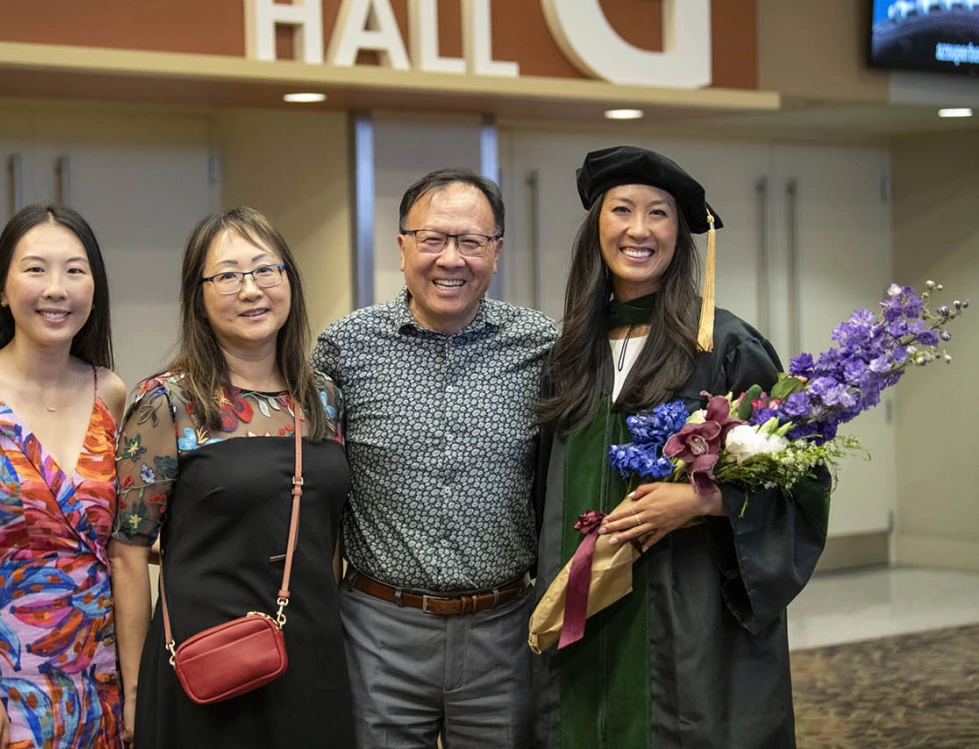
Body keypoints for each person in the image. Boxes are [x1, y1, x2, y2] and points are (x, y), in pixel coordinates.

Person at [532, 146, 832, 749]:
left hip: (688, 617)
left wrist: (704, 503)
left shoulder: (722, 344)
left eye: (659, 214)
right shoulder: (568, 354)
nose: (638, 229)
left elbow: (801, 478)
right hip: (582, 608)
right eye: (621, 210)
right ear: (596, 227)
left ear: (680, 233)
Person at [313, 168, 558, 748]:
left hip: (505, 630)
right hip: (378, 631)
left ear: (496, 252)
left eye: (471, 242)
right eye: (433, 239)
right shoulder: (345, 348)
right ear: (402, 248)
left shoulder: (544, 346)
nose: (452, 259)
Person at [108, 207, 354, 749]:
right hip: (203, 658)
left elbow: (327, 531)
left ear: (290, 279)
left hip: (312, 650)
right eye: (228, 275)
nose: (251, 289)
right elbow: (128, 553)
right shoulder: (167, 404)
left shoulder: (323, 397)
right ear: (197, 296)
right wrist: (132, 690)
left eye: (267, 270)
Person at [0, 204, 128, 749]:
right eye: (35, 269)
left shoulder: (112, 393)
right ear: (4, 291)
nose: (56, 288)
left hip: (98, 673)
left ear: (95, 290)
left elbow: (124, 543)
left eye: (75, 271)